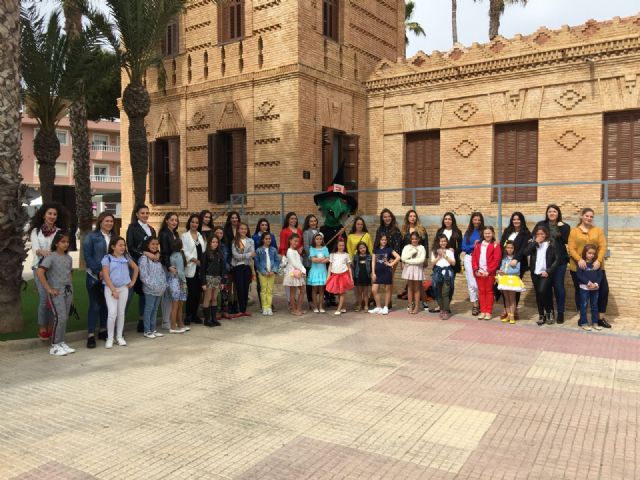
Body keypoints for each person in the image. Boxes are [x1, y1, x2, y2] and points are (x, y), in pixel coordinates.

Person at [29, 202, 69, 340]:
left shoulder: (59, 232)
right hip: (39, 268)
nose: (52, 216)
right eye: (49, 213)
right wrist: (45, 252)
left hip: (55, 270)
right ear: (44, 215)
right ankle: (42, 327)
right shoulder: (36, 231)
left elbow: (61, 248)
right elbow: (36, 250)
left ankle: (52, 325)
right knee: (44, 298)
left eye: (54, 214)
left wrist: (51, 254)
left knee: (55, 298)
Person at [568, 207, 610, 328]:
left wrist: (599, 260)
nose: (589, 218)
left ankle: (600, 318)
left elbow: (603, 246)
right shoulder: (574, 231)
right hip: (578, 267)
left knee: (604, 290)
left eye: (591, 216)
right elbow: (571, 248)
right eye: (587, 216)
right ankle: (583, 318)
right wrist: (579, 259)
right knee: (581, 292)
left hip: (596, 267)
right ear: (581, 216)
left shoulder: (598, 230)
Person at [37, 232, 74, 356]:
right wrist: (49, 289)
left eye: (67, 242)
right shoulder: (50, 256)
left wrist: (71, 288)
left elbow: (69, 273)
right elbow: (40, 272)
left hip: (67, 291)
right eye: (63, 242)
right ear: (56, 243)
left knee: (65, 317)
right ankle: (54, 345)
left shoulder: (69, 258)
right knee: (60, 317)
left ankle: (61, 342)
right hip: (56, 291)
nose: (66, 244)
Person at [533, 205, 570, 324]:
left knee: (559, 288)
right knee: (546, 288)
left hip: (560, 262)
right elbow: (533, 237)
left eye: (554, 211)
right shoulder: (541, 225)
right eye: (549, 211)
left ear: (558, 213)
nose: (552, 213)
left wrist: (561, 227)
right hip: (545, 263)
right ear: (547, 213)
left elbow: (565, 240)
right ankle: (549, 312)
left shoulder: (565, 226)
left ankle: (560, 312)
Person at [83, 212, 114, 348]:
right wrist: (98, 271)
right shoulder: (91, 236)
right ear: (100, 222)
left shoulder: (114, 237)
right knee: (95, 305)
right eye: (106, 221)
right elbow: (88, 257)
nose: (109, 223)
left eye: (111, 221)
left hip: (109, 277)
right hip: (94, 276)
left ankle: (103, 330)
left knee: (106, 304)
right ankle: (90, 334)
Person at [102, 237, 139, 348]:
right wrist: (113, 290)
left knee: (121, 313)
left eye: (124, 245)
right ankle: (110, 338)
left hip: (124, 289)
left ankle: (119, 337)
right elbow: (105, 275)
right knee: (112, 313)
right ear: (113, 246)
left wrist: (132, 281)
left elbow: (136, 268)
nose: (123, 247)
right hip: (110, 289)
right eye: (120, 245)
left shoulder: (126, 257)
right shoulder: (107, 258)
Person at [126, 204, 157, 332]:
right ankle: (118, 324)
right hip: (136, 265)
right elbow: (130, 246)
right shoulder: (132, 228)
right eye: (142, 213)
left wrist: (156, 253)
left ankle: (142, 321)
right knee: (129, 294)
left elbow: (154, 245)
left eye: (147, 213)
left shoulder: (152, 229)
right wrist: (144, 253)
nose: (145, 215)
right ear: (137, 214)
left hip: (150, 267)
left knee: (146, 293)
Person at [523, 225, 560, 326]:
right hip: (535, 273)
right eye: (538, 234)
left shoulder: (551, 243)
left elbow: (557, 259)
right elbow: (525, 253)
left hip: (546, 273)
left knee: (542, 291)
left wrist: (549, 271)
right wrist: (535, 243)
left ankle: (549, 312)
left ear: (546, 234)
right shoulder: (533, 244)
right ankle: (541, 315)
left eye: (542, 234)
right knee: (539, 294)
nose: (540, 236)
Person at [498, 212, 530, 320]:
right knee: (504, 286)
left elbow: (524, 248)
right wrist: (503, 260)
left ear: (522, 220)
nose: (516, 221)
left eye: (518, 219)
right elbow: (502, 244)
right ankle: (506, 310)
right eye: (514, 219)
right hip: (505, 262)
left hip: (518, 263)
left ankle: (514, 310)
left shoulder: (526, 233)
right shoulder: (507, 231)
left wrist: (516, 259)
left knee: (514, 287)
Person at [432, 212, 463, 311]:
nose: (447, 221)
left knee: (449, 286)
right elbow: (436, 244)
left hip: (451, 262)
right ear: (443, 220)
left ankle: (446, 306)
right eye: (445, 219)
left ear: (452, 220)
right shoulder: (440, 230)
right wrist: (437, 251)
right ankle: (440, 305)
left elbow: (461, 247)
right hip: (439, 261)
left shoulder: (457, 232)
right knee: (438, 285)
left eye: (449, 219)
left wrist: (455, 250)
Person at [138, 237, 167, 338]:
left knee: (155, 309)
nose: (155, 246)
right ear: (147, 245)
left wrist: (163, 285)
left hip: (159, 289)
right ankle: (147, 330)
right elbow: (143, 276)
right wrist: (153, 286)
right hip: (150, 289)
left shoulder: (157, 258)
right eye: (152, 244)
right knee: (149, 309)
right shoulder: (143, 258)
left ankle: (153, 329)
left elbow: (162, 273)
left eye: (156, 244)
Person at [471, 226, 501, 320]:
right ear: (483, 234)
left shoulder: (495, 245)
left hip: (489, 274)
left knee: (489, 292)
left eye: (489, 233)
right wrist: (476, 270)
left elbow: (496, 260)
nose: (487, 235)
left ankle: (488, 311)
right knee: (481, 291)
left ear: (492, 234)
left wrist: (488, 271)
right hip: (479, 273)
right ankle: (483, 311)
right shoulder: (478, 245)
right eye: (485, 233)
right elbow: (474, 258)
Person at [375, 209, 402, 307]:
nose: (387, 218)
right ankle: (374, 299)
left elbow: (398, 245)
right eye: (385, 217)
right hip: (380, 258)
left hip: (391, 259)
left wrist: (392, 259)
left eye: (388, 216)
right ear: (382, 218)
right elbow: (376, 244)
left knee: (389, 279)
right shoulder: (380, 229)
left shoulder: (396, 230)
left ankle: (389, 301)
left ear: (392, 217)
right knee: (378, 279)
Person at [182, 214, 205, 324]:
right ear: (189, 223)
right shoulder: (185, 236)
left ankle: (195, 315)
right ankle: (188, 316)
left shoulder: (200, 235)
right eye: (192, 222)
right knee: (191, 293)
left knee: (198, 294)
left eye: (196, 222)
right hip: (191, 267)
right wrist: (194, 260)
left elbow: (203, 250)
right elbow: (184, 251)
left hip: (200, 269)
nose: (194, 224)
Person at [369, 234, 400, 315]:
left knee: (387, 290)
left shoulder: (389, 249)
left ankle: (386, 307)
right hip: (377, 272)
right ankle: (378, 307)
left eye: (385, 240)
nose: (384, 241)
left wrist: (391, 264)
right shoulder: (375, 250)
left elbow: (398, 257)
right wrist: (373, 272)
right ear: (379, 240)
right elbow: (373, 261)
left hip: (387, 272)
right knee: (374, 290)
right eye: (382, 240)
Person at [158, 213, 180, 328]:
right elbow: (164, 252)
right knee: (167, 293)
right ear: (166, 221)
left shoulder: (175, 233)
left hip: (175, 267)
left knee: (173, 294)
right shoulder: (163, 234)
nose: (174, 222)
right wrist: (168, 266)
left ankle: (171, 319)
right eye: (172, 220)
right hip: (167, 267)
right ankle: (165, 321)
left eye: (176, 220)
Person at [575, 244, 604, 331]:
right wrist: (587, 282)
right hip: (584, 288)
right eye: (589, 253)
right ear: (585, 253)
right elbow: (579, 275)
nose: (591, 255)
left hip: (595, 289)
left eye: (593, 254)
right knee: (584, 305)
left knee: (594, 306)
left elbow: (600, 275)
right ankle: (584, 323)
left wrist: (596, 284)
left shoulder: (597, 264)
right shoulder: (581, 263)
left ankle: (595, 323)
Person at [497, 240, 526, 325]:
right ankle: (508, 314)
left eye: (511, 248)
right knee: (506, 297)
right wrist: (500, 271)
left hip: (513, 280)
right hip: (505, 279)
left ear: (514, 249)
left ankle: (513, 315)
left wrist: (506, 272)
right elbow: (502, 267)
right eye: (508, 247)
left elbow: (517, 271)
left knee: (512, 298)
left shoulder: (516, 258)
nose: (509, 249)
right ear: (505, 248)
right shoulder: (504, 258)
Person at [461, 212, 484, 316]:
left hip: (481, 259)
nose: (477, 221)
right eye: (475, 219)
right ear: (472, 220)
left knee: (481, 281)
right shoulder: (468, 232)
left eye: (479, 220)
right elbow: (463, 247)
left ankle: (482, 303)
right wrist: (473, 246)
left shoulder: (484, 232)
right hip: (469, 258)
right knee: (472, 283)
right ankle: (475, 304)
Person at [231, 222, 255, 317]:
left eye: (245, 229)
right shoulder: (234, 241)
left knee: (246, 288)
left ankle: (244, 310)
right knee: (239, 288)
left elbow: (253, 254)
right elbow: (236, 256)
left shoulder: (251, 241)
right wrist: (248, 255)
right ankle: (240, 309)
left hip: (247, 266)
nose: (243, 230)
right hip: (238, 267)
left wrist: (246, 255)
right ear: (238, 230)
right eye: (241, 229)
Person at [253, 218, 278, 310]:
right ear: (259, 226)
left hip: (270, 264)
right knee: (261, 285)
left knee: (269, 287)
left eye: (266, 225)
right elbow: (254, 251)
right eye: (262, 225)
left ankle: (269, 304)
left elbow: (275, 247)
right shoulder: (255, 236)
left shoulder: (271, 235)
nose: (264, 226)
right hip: (260, 263)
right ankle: (263, 304)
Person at [200, 235, 225, 327]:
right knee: (208, 298)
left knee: (214, 298)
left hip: (217, 278)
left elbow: (223, 268)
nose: (215, 244)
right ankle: (207, 319)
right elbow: (202, 270)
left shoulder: (220, 254)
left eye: (216, 242)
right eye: (213, 242)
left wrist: (222, 281)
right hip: (208, 278)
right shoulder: (205, 254)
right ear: (209, 243)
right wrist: (203, 283)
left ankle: (214, 318)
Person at [325, 238, 354, 315]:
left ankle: (339, 308)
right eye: (340, 245)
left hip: (343, 275)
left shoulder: (346, 255)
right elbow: (330, 266)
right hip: (335, 275)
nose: (341, 247)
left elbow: (349, 267)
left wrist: (351, 277)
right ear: (337, 246)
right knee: (339, 292)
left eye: (343, 245)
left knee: (342, 292)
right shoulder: (332, 255)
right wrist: (328, 276)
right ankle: (343, 307)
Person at [430, 234, 455, 320]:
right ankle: (441, 308)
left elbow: (453, 263)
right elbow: (433, 263)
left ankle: (446, 310)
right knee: (438, 292)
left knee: (446, 292)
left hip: (447, 272)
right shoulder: (434, 251)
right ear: (438, 242)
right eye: (441, 241)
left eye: (444, 241)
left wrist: (445, 255)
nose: (443, 243)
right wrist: (439, 256)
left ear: (446, 242)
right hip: (437, 272)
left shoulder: (450, 251)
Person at [401, 231, 427, 315]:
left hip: (417, 269)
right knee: (409, 287)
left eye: (416, 239)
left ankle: (417, 306)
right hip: (409, 269)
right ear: (410, 239)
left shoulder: (422, 248)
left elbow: (421, 260)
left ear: (419, 239)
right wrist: (412, 252)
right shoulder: (406, 247)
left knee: (417, 288)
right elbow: (403, 258)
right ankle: (410, 305)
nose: (414, 240)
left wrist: (409, 261)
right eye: (412, 239)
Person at [255, 233, 280, 316]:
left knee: (269, 290)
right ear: (263, 240)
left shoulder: (273, 249)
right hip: (263, 273)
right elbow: (257, 262)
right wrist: (263, 271)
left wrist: (274, 270)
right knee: (263, 290)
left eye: (269, 239)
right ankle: (264, 307)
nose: (268, 240)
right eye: (266, 239)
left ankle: (269, 307)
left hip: (272, 273)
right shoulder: (259, 250)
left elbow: (277, 261)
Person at [168, 238, 188, 333]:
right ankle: (173, 326)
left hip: (172, 280)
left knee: (177, 304)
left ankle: (180, 324)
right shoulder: (179, 256)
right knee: (177, 305)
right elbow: (180, 271)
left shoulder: (172, 255)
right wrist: (184, 281)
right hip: (179, 281)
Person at [283, 234, 306, 315]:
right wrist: (302, 270)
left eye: (298, 241)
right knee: (293, 292)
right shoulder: (289, 251)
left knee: (302, 290)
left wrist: (303, 270)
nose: (296, 243)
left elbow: (299, 262)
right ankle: (294, 309)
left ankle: (298, 308)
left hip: (298, 272)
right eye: (295, 241)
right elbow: (294, 263)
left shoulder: (296, 251)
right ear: (290, 241)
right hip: (293, 273)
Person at [223, 211, 242, 313]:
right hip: (229, 259)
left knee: (237, 282)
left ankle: (236, 302)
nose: (235, 219)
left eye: (236, 218)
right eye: (232, 218)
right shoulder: (226, 230)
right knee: (230, 283)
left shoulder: (242, 229)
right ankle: (230, 303)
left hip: (240, 259)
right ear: (229, 219)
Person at [307, 233, 330, 313]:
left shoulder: (325, 248)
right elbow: (313, 259)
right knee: (314, 289)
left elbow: (328, 259)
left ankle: (321, 306)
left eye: (320, 239)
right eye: (317, 239)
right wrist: (323, 258)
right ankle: (315, 306)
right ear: (314, 240)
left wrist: (318, 259)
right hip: (315, 272)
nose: (319, 240)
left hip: (323, 271)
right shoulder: (312, 248)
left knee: (321, 290)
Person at [302, 214, 321, 307]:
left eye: (315, 221)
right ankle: (310, 301)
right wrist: (314, 256)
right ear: (308, 223)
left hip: (319, 261)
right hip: (310, 261)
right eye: (311, 221)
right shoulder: (306, 232)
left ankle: (316, 300)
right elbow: (306, 246)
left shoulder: (319, 231)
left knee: (317, 281)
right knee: (310, 281)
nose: (313, 223)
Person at [213, 226, 232, 320]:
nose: (219, 235)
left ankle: (225, 311)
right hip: (215, 272)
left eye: (221, 233)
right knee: (215, 293)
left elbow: (228, 257)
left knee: (225, 291)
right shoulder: (212, 244)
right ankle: (216, 311)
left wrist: (228, 265)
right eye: (217, 233)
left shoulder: (225, 245)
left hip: (224, 271)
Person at [352, 241, 372, 312]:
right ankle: (359, 305)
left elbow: (371, 267)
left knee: (366, 293)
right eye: (360, 248)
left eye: (364, 247)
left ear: (366, 248)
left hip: (366, 276)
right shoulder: (356, 257)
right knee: (359, 293)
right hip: (358, 276)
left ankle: (366, 306)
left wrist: (371, 274)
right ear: (358, 249)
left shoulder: (369, 257)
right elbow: (353, 267)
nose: (362, 249)